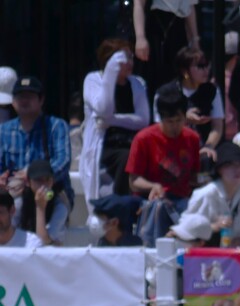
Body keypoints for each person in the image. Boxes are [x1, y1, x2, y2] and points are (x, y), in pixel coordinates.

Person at [126, 81, 200, 245]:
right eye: (170, 121)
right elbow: (134, 181)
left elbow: (194, 175)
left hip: (183, 200)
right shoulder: (143, 139)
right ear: (160, 117)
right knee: (159, 209)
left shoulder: (192, 138)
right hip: (152, 201)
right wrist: (153, 186)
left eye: (179, 120)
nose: (175, 126)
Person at [80, 39, 151, 205]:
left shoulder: (137, 83)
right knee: (125, 157)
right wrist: (111, 74)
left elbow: (143, 120)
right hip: (105, 145)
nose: (130, 63)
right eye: (124, 58)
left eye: (131, 57)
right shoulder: (93, 80)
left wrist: (112, 120)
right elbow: (103, 108)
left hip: (131, 141)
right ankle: (120, 204)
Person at [0, 75, 73, 206]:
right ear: (13, 101)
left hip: (50, 192)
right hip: (14, 193)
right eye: (20, 96)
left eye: (29, 96)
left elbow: (63, 162)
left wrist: (33, 176)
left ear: (41, 100)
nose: (24, 101)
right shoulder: (3, 130)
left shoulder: (56, 126)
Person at [173, 140, 240, 246]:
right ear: (220, 170)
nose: (237, 169)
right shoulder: (205, 194)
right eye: (230, 165)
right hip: (199, 254)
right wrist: (213, 226)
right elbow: (185, 227)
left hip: (231, 255)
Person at [157, 45, 224, 166]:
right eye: (200, 66)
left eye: (206, 65)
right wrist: (183, 118)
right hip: (172, 146)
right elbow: (158, 126)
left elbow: (217, 127)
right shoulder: (165, 92)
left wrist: (208, 146)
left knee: (210, 159)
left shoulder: (212, 91)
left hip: (203, 145)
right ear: (185, 71)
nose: (206, 70)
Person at [132, 0, 200, 101]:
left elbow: (190, 7)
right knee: (151, 76)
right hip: (154, 25)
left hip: (177, 27)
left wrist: (195, 40)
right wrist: (140, 37)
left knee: (176, 76)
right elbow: (138, 4)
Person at [15, 158, 71, 245]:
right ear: (28, 182)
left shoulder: (60, 207)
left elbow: (41, 242)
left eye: (48, 179)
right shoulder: (19, 203)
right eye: (38, 180)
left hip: (49, 254)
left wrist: (40, 208)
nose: (44, 184)